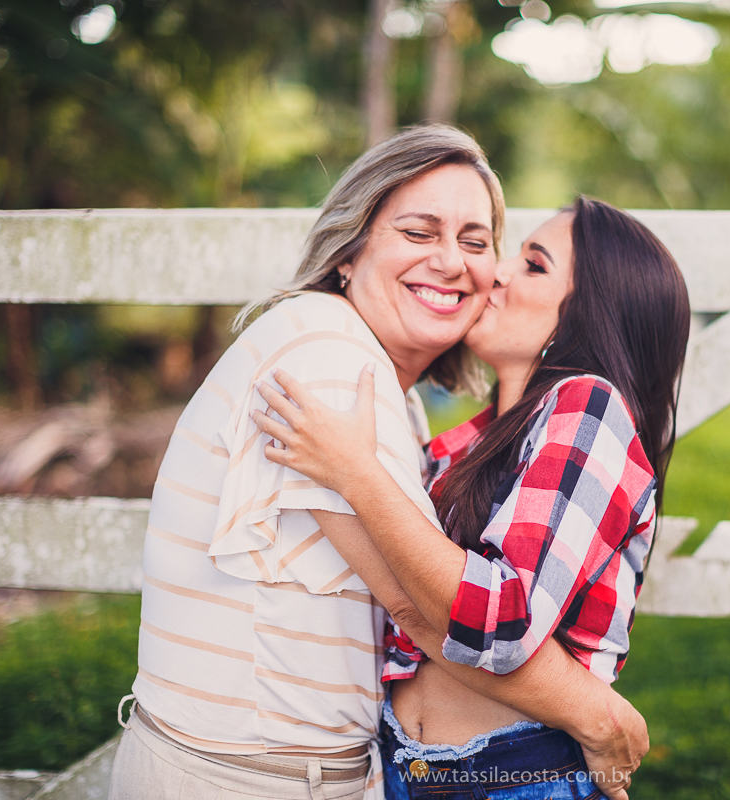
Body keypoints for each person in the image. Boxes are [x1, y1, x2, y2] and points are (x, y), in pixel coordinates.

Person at [108, 127, 649, 800]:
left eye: (477, 242)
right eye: (420, 233)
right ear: (350, 248)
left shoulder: (396, 398)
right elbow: (420, 610)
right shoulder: (328, 360)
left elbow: (447, 607)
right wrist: (599, 717)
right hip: (242, 782)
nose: (458, 264)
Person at [252, 196, 691, 799]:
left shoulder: (589, 408)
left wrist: (355, 474)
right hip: (408, 769)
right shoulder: (462, 446)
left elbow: (504, 622)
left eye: (534, 265)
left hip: (519, 773)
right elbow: (404, 598)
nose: (498, 272)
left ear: (591, 313)